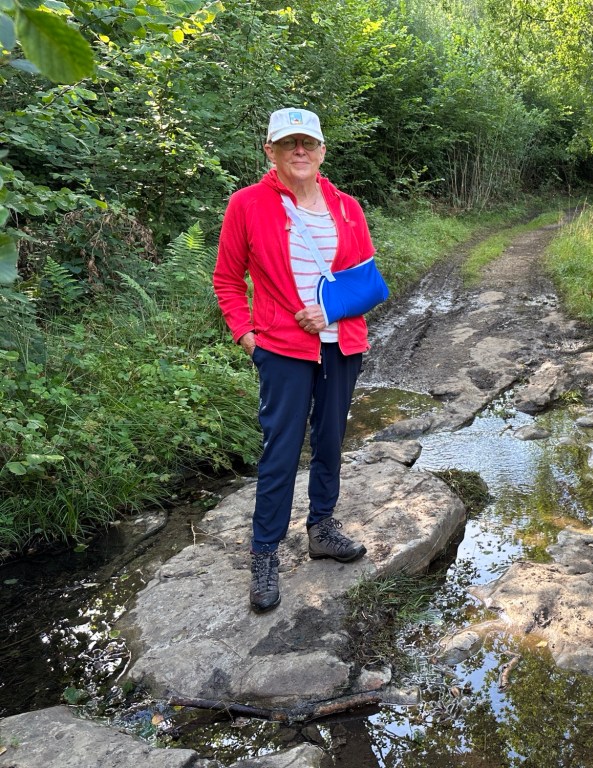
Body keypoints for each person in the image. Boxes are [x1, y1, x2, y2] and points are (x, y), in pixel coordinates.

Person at [214, 107, 372, 613]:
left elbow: (368, 284)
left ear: (322, 151)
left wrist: (330, 311)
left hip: (342, 345)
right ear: (271, 152)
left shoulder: (346, 207)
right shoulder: (247, 205)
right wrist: (246, 336)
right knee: (280, 451)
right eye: (288, 144)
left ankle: (322, 527)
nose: (299, 151)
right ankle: (264, 553)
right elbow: (227, 279)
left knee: (329, 441)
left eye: (308, 143)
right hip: (280, 349)